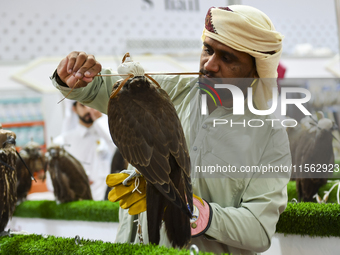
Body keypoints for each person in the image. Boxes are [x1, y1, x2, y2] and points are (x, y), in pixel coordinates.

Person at [50, 5, 291, 255]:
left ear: (254, 72)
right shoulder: (168, 90)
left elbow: (260, 230)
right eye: (208, 49)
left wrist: (198, 214)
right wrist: (76, 79)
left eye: (227, 58)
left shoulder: (269, 137)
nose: (210, 64)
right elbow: (104, 90)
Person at [48, 101, 117, 201]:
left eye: (92, 104)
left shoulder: (108, 136)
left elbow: (123, 156)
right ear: (74, 109)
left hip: (111, 199)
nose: (89, 109)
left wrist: (100, 122)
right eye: (83, 105)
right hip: (79, 201)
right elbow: (52, 181)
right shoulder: (62, 142)